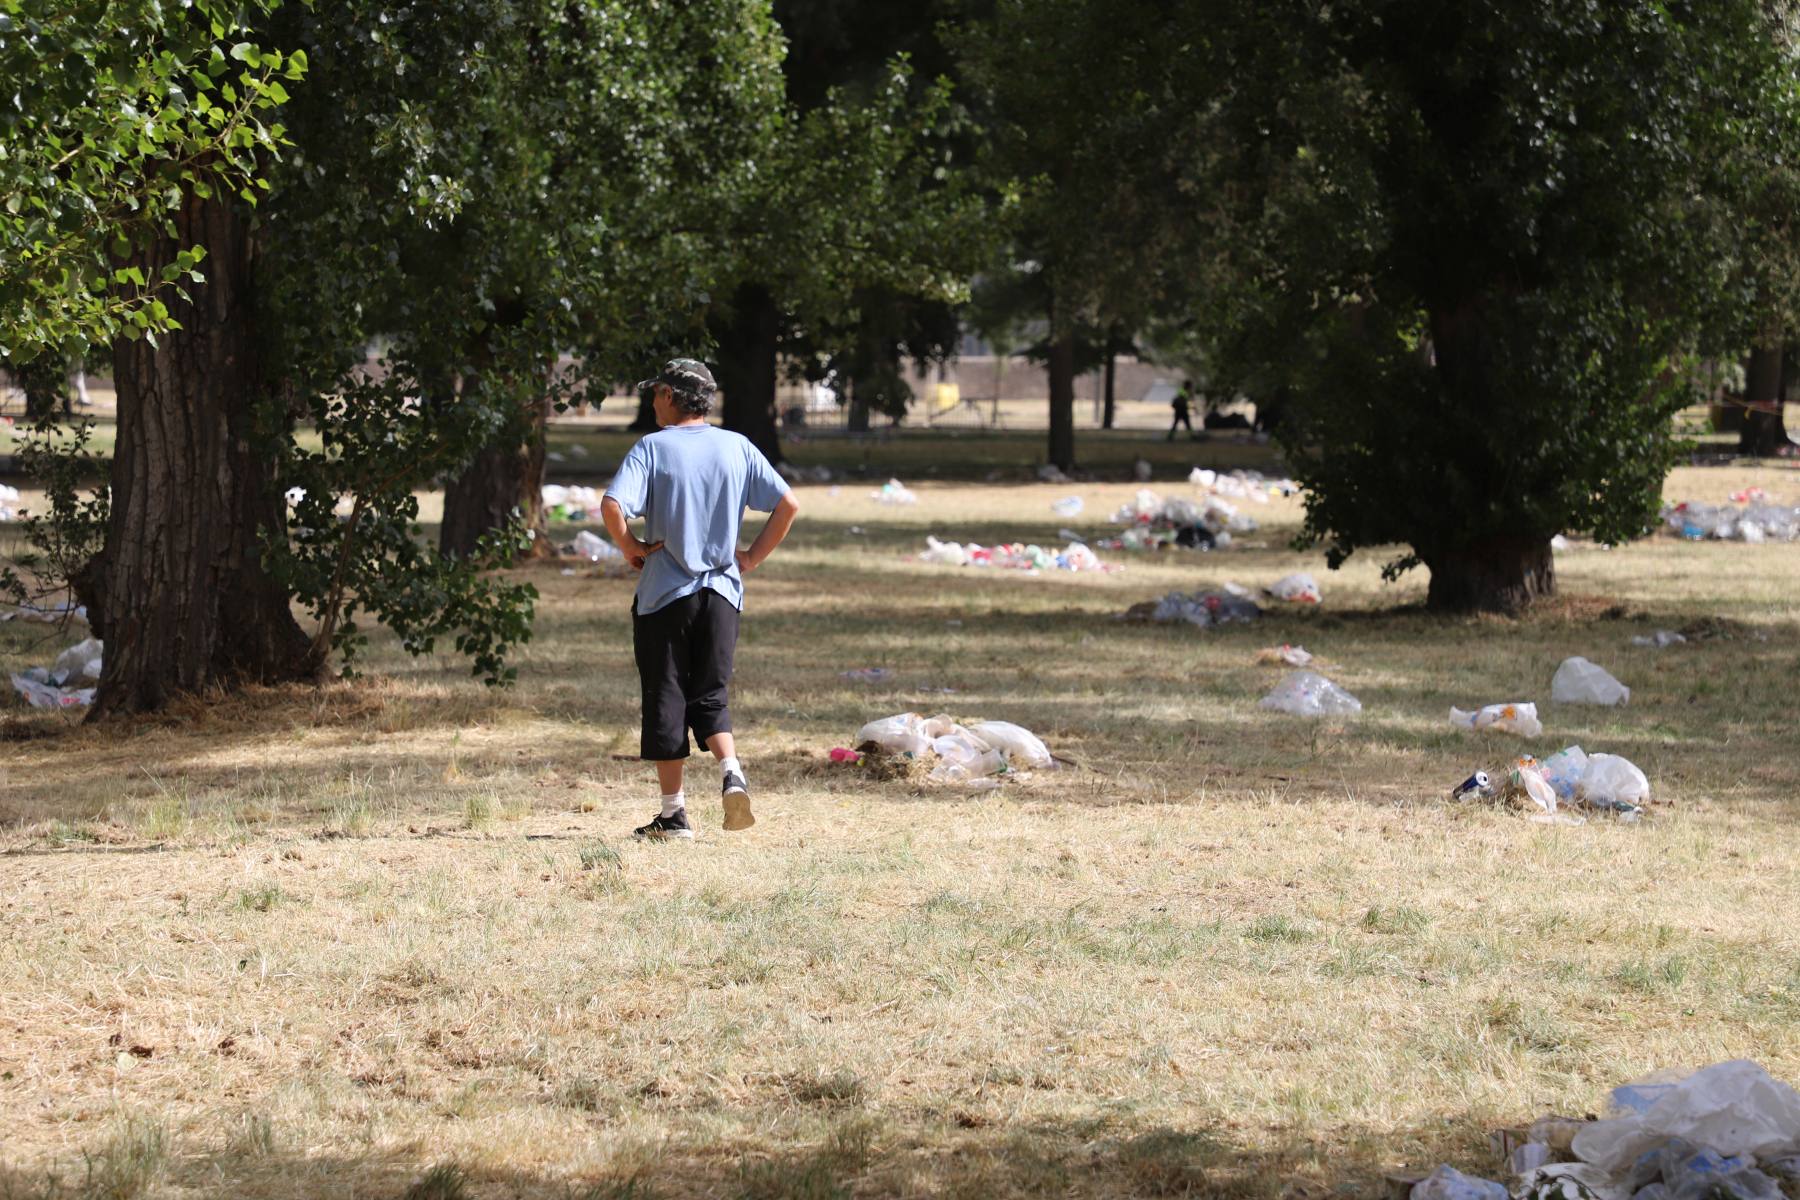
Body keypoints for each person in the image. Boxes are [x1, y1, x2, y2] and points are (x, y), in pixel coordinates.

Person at [600, 358, 800, 840]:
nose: (652, 403)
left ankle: (674, 816)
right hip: (723, 594)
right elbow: (787, 503)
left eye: (655, 394)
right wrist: (750, 557)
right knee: (710, 694)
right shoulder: (737, 446)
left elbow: (611, 505)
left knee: (666, 695)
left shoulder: (653, 447)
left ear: (670, 395)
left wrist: (630, 547)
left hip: (665, 594)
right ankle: (731, 769)